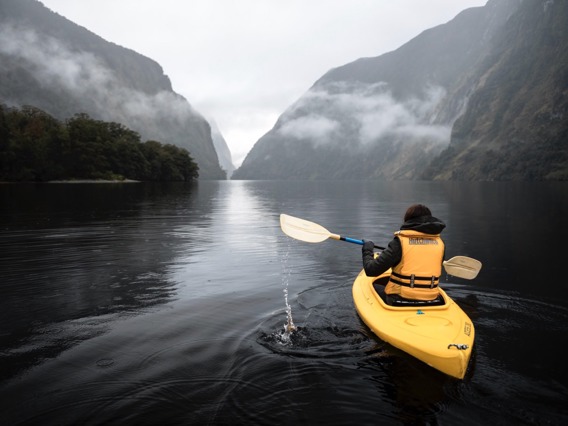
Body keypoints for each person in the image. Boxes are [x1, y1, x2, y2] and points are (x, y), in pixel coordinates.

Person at [362, 204, 446, 301]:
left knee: (371, 287)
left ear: (408, 220)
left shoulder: (400, 242)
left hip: (400, 298)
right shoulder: (440, 244)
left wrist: (367, 249)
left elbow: (371, 270)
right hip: (431, 298)